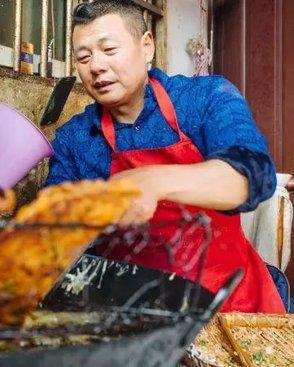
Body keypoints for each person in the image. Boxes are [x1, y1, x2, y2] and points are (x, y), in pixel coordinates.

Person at [46, 0, 285, 313]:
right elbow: (50, 235)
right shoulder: (75, 140)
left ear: (146, 46)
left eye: (109, 49)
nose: (96, 66)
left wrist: (152, 181)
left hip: (228, 303)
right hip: (134, 313)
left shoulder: (204, 99)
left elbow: (253, 176)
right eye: (83, 57)